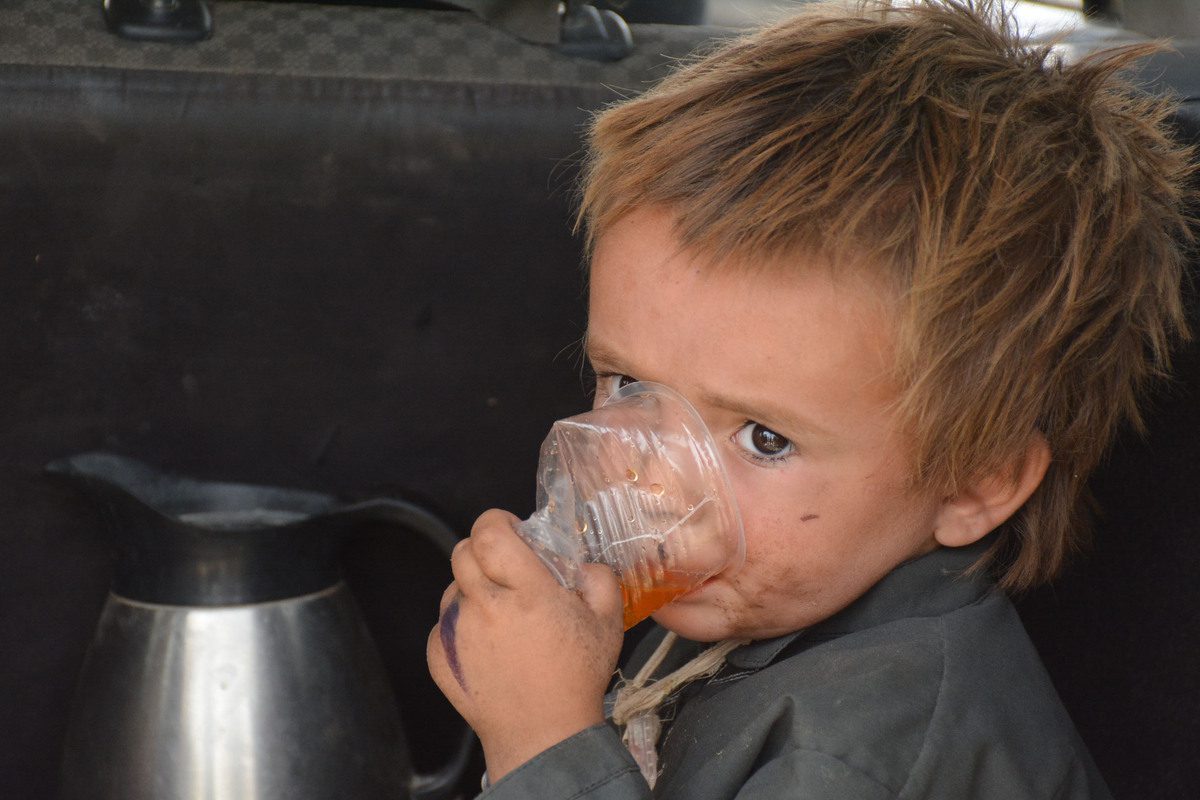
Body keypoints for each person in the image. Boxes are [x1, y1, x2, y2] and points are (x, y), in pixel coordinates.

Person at [425, 1, 1194, 797]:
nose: (651, 480)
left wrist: (543, 736)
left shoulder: (858, 758)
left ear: (973, 482)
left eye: (763, 439)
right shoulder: (769, 594)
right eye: (630, 385)